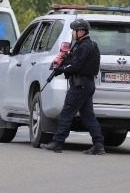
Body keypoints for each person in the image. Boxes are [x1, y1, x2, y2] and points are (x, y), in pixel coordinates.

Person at [41, 18, 105, 155]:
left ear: (81, 31)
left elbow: (76, 66)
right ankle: (99, 145)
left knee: (66, 114)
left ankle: (57, 143)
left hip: (80, 85)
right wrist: (63, 63)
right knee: (88, 117)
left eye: (74, 30)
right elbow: (73, 61)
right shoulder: (84, 44)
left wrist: (62, 69)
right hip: (86, 85)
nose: (72, 33)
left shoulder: (84, 46)